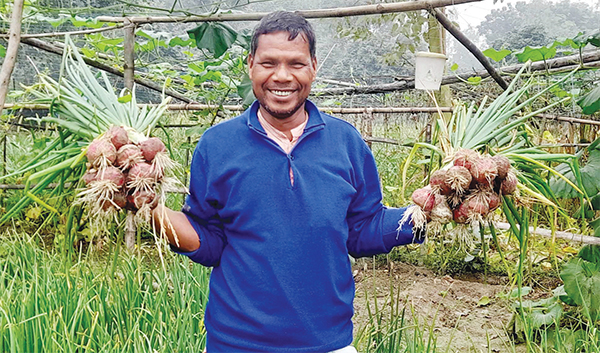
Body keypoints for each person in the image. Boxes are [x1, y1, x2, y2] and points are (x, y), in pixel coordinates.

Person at [153, 11, 424, 353]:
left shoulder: (346, 142)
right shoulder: (217, 145)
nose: (281, 76)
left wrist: (425, 214)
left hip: (328, 343)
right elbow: (210, 240)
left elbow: (361, 229)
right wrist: (152, 211)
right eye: (268, 63)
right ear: (250, 64)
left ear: (313, 66)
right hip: (235, 344)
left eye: (295, 63)